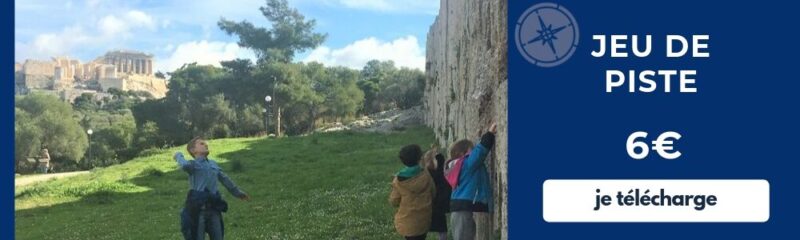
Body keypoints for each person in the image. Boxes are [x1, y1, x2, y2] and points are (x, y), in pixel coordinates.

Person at [174, 137, 250, 240]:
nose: (206, 145)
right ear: (193, 150)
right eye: (201, 144)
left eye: (205, 143)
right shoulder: (193, 165)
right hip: (198, 211)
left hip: (214, 209)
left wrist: (238, 193)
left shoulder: (213, 164)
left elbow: (225, 179)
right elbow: (184, 166)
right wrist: (178, 155)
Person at [448, 123, 497, 240]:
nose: (473, 151)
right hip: (462, 209)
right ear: (462, 154)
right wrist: (489, 134)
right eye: (471, 149)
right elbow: (479, 153)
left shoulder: (457, 166)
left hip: (459, 207)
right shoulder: (466, 164)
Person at [389, 144, 435, 240]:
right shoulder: (426, 175)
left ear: (403, 161)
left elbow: (394, 201)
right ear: (419, 158)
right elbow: (433, 193)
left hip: (407, 221)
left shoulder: (399, 181)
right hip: (424, 220)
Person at [420, 144, 451, 240]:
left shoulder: (424, 174)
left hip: (427, 206)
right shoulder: (437, 174)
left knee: (423, 229)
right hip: (438, 206)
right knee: (442, 229)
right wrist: (436, 154)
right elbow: (441, 162)